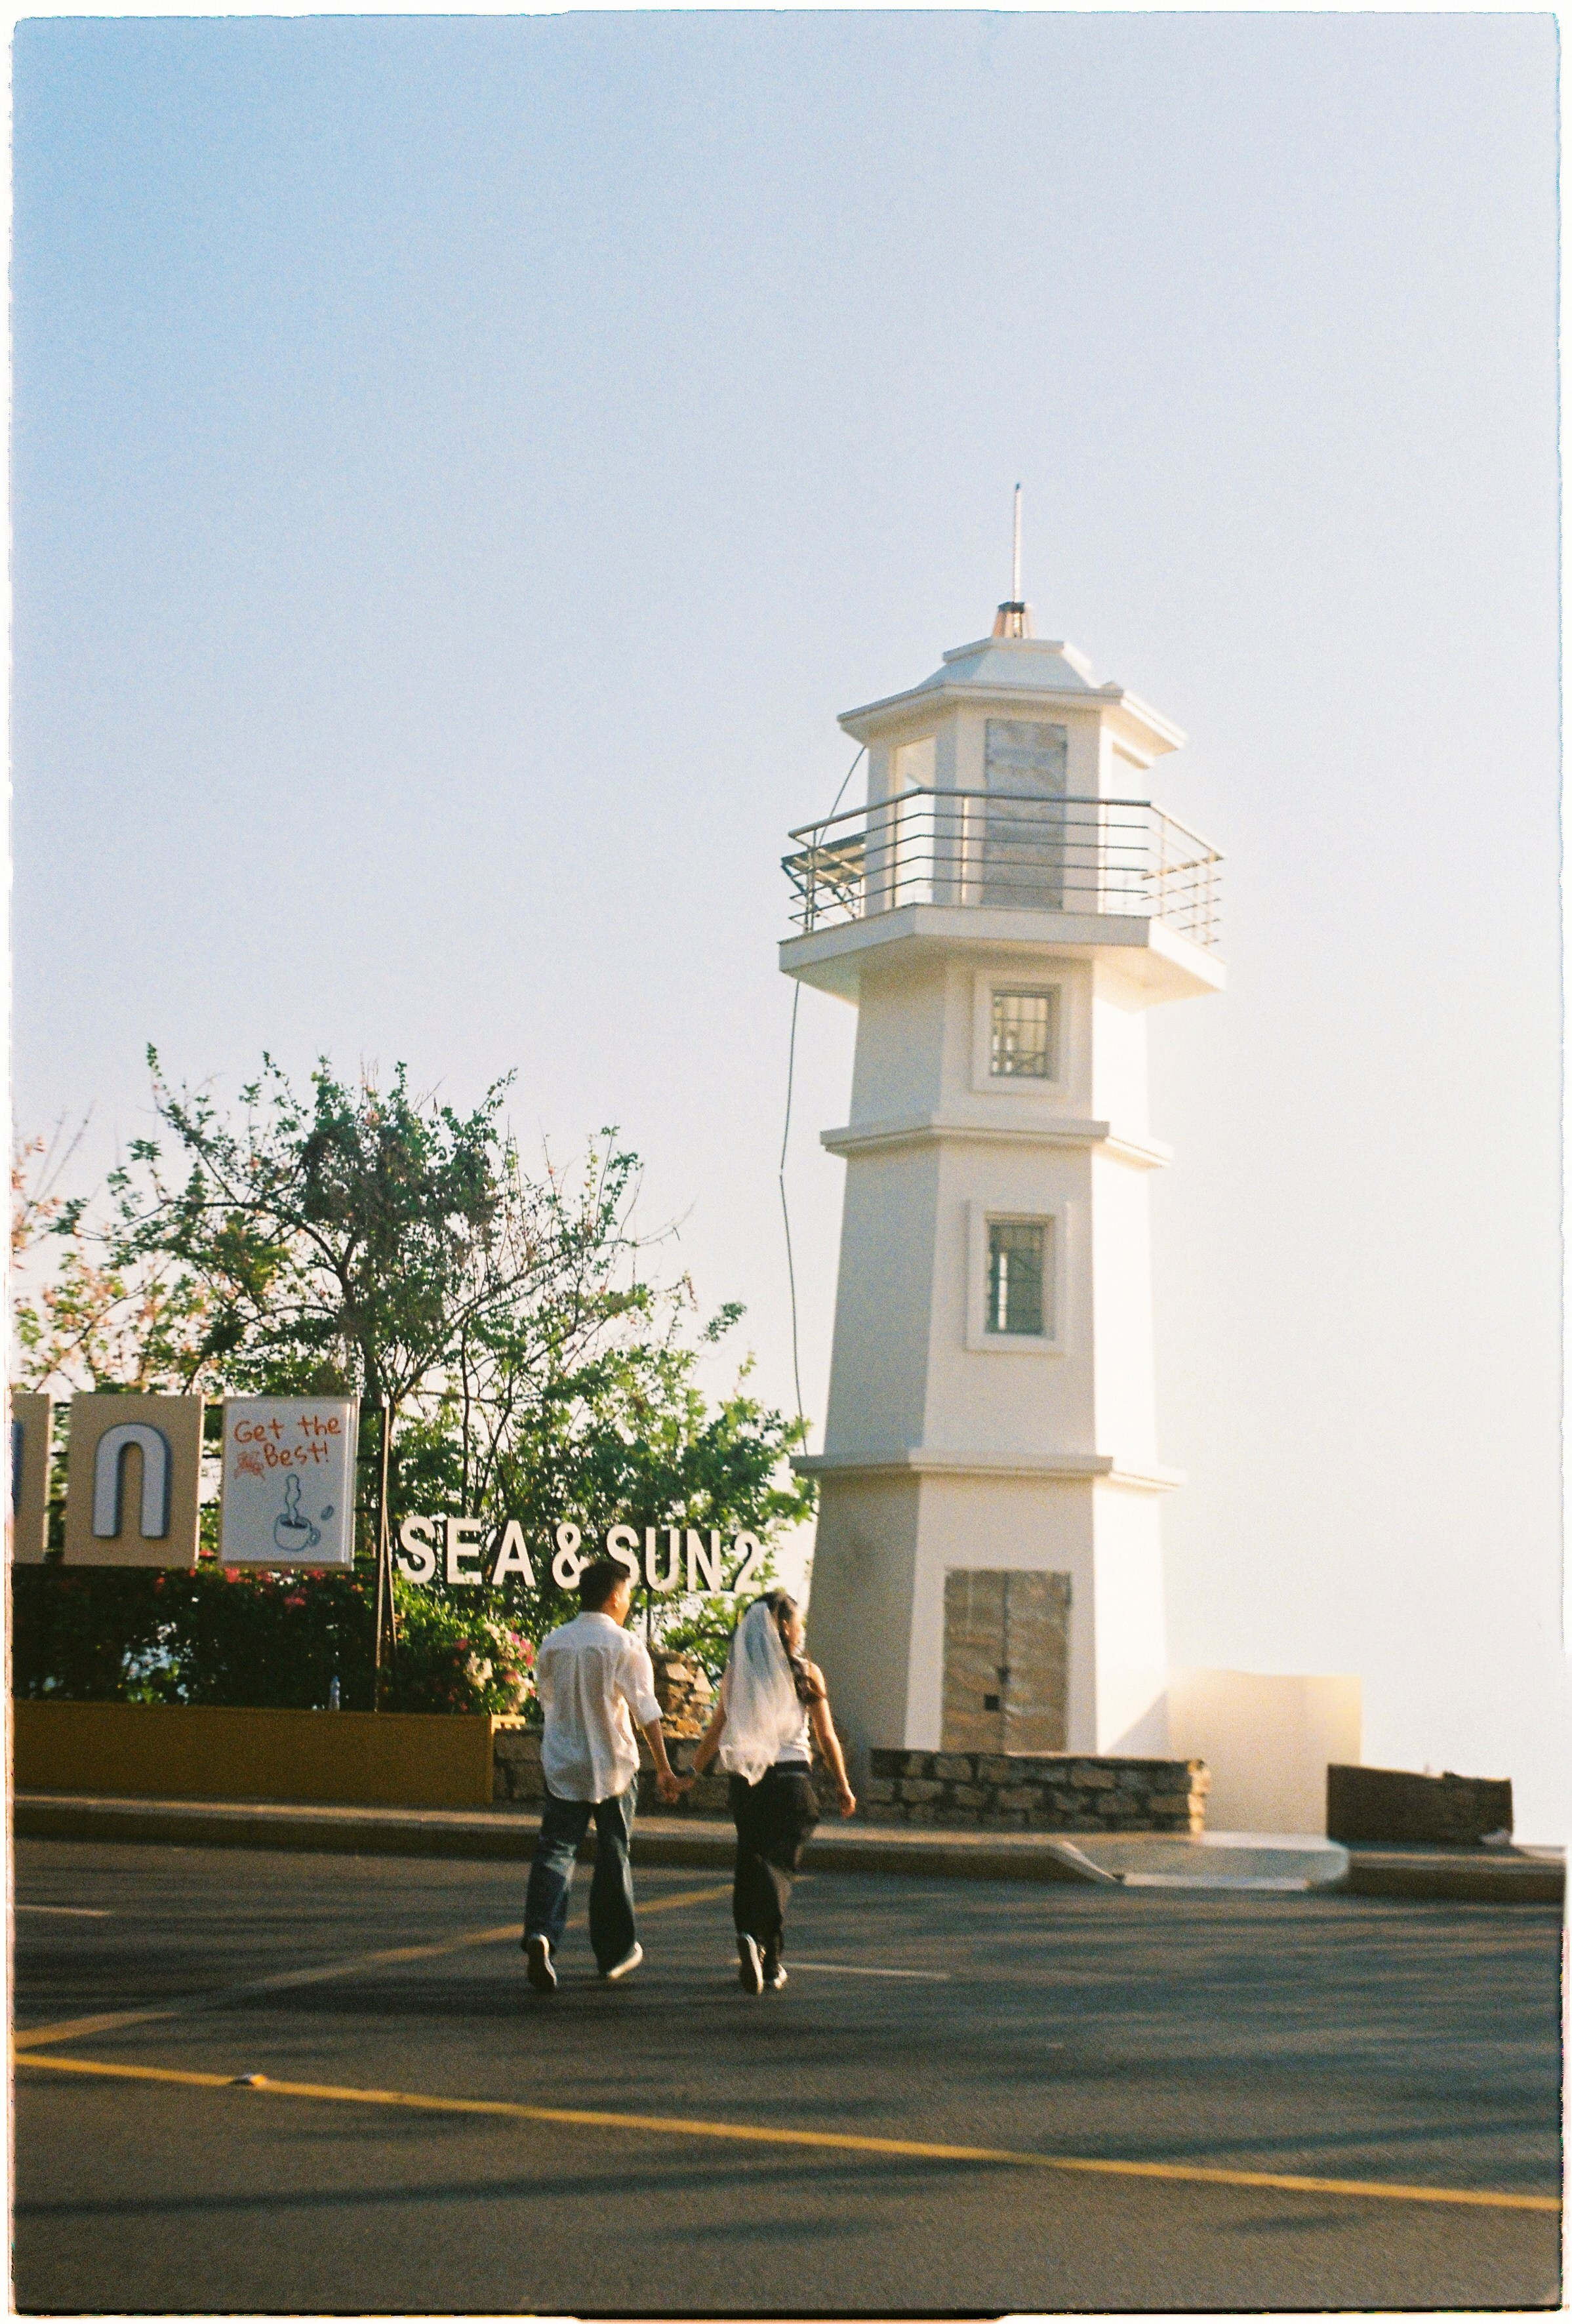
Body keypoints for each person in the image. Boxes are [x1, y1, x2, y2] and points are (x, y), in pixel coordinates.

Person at [522, 1557, 683, 1991]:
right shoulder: (625, 1645)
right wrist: (664, 1767)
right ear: (614, 1596)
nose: (628, 1603)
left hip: (565, 1762)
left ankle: (541, 1931)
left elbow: (547, 1699)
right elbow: (645, 1709)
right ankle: (613, 1953)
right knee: (613, 1854)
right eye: (627, 1595)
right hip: (613, 1764)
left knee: (556, 1850)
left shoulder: (554, 1642)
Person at [690, 1591, 857, 1994]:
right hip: (792, 1783)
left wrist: (689, 1774)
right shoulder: (808, 1672)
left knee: (751, 1860)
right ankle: (768, 1954)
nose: (802, 1628)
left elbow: (715, 1731)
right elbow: (826, 1735)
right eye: (798, 1621)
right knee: (779, 1868)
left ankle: (748, 1934)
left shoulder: (737, 1675)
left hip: (748, 1781)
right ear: (785, 1626)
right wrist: (842, 1785)